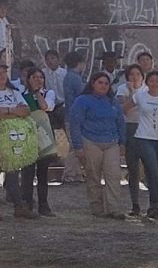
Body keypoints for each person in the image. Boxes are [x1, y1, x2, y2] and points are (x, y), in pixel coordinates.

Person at [68, 73, 127, 219]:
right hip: (90, 141)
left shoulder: (113, 102)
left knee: (113, 176)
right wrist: (78, 146)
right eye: (100, 82)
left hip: (112, 142)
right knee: (93, 176)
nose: (103, 86)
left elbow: (120, 122)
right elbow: (75, 124)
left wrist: (123, 142)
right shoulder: (82, 101)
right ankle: (97, 207)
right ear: (92, 84)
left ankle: (114, 208)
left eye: (106, 83)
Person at [124, 71, 158, 220]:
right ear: (147, 82)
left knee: (157, 172)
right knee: (153, 169)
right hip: (143, 137)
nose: (154, 83)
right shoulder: (140, 96)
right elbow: (125, 108)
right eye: (151, 81)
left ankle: (153, 206)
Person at [0, 62, 39, 219]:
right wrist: (13, 110)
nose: (2, 75)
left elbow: (26, 110)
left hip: (14, 138)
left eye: (4, 72)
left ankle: (19, 206)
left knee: (12, 172)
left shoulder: (14, 92)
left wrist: (6, 112)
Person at [20, 68, 59, 216]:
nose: (38, 80)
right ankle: (27, 204)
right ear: (28, 79)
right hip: (27, 135)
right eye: (34, 77)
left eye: (40, 77)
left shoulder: (49, 94)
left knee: (43, 172)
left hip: (43, 135)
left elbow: (45, 107)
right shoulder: (21, 95)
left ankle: (44, 205)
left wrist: (37, 93)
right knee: (27, 172)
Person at [116, 64, 146, 216]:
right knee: (132, 168)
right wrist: (133, 92)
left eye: (138, 74)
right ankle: (135, 204)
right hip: (130, 128)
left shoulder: (148, 89)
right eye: (131, 74)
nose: (135, 77)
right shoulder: (122, 89)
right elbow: (124, 108)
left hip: (146, 129)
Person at [62, 51, 86, 183]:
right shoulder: (75, 78)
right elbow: (82, 94)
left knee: (76, 144)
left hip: (71, 114)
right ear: (80, 63)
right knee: (74, 145)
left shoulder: (68, 76)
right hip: (75, 116)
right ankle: (70, 173)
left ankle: (76, 173)